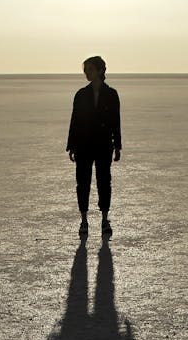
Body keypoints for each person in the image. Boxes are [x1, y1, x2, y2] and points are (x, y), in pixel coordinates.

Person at [66, 56, 122, 239]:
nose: (86, 73)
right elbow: (75, 121)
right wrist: (71, 146)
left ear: (99, 71)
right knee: (83, 183)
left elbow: (115, 121)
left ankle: (105, 220)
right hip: (83, 145)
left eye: (89, 69)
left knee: (104, 182)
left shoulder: (111, 94)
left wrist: (117, 145)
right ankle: (84, 220)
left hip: (104, 145)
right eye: (85, 70)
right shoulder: (81, 94)